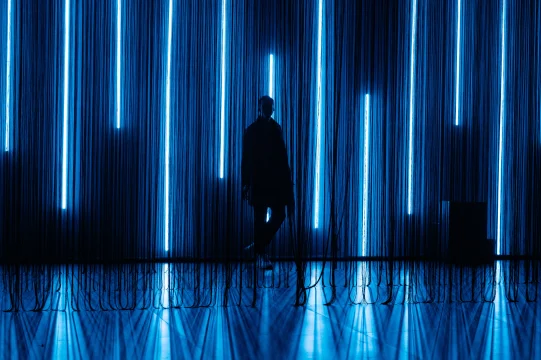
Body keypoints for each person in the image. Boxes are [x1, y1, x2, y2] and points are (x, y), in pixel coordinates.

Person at [241, 96, 294, 270]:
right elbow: (246, 159)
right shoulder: (252, 130)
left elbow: (282, 156)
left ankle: (257, 247)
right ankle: (260, 253)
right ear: (259, 108)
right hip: (259, 181)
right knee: (260, 218)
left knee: (279, 215)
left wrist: (286, 181)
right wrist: (246, 183)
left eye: (270, 106)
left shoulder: (275, 128)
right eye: (265, 106)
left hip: (274, 182)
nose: (268, 109)